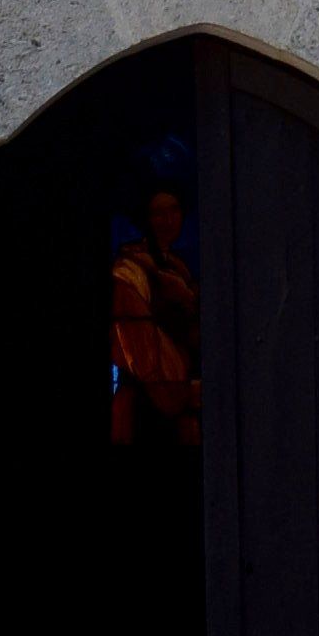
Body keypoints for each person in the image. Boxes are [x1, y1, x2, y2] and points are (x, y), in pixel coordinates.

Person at [108, 158, 201, 453]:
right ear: (146, 218)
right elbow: (141, 354)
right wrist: (182, 393)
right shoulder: (129, 271)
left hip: (178, 411)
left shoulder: (179, 269)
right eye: (158, 213)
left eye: (173, 210)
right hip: (147, 409)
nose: (168, 220)